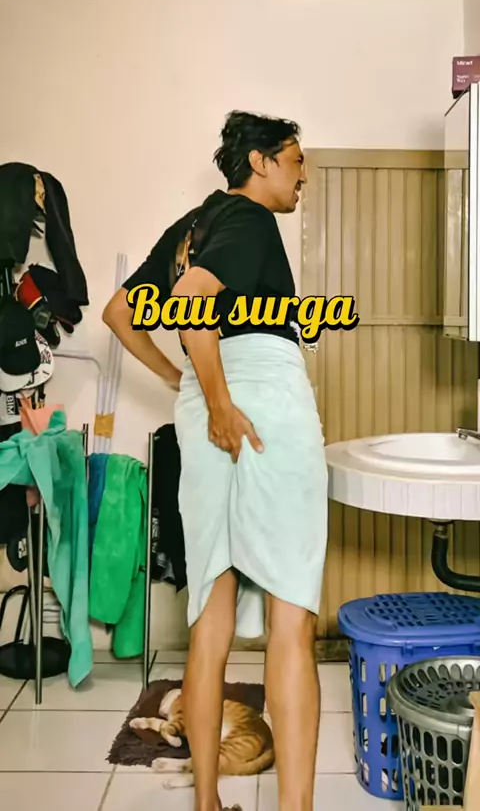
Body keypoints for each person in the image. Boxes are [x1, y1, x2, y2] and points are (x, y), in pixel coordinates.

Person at [103, 110, 329, 811]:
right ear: (260, 162)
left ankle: (206, 802)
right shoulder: (250, 219)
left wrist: (189, 387)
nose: (303, 175)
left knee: (209, 616)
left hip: (204, 410)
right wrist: (224, 401)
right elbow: (191, 302)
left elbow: (119, 313)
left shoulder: (190, 227)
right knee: (292, 618)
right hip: (261, 407)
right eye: (295, 160)